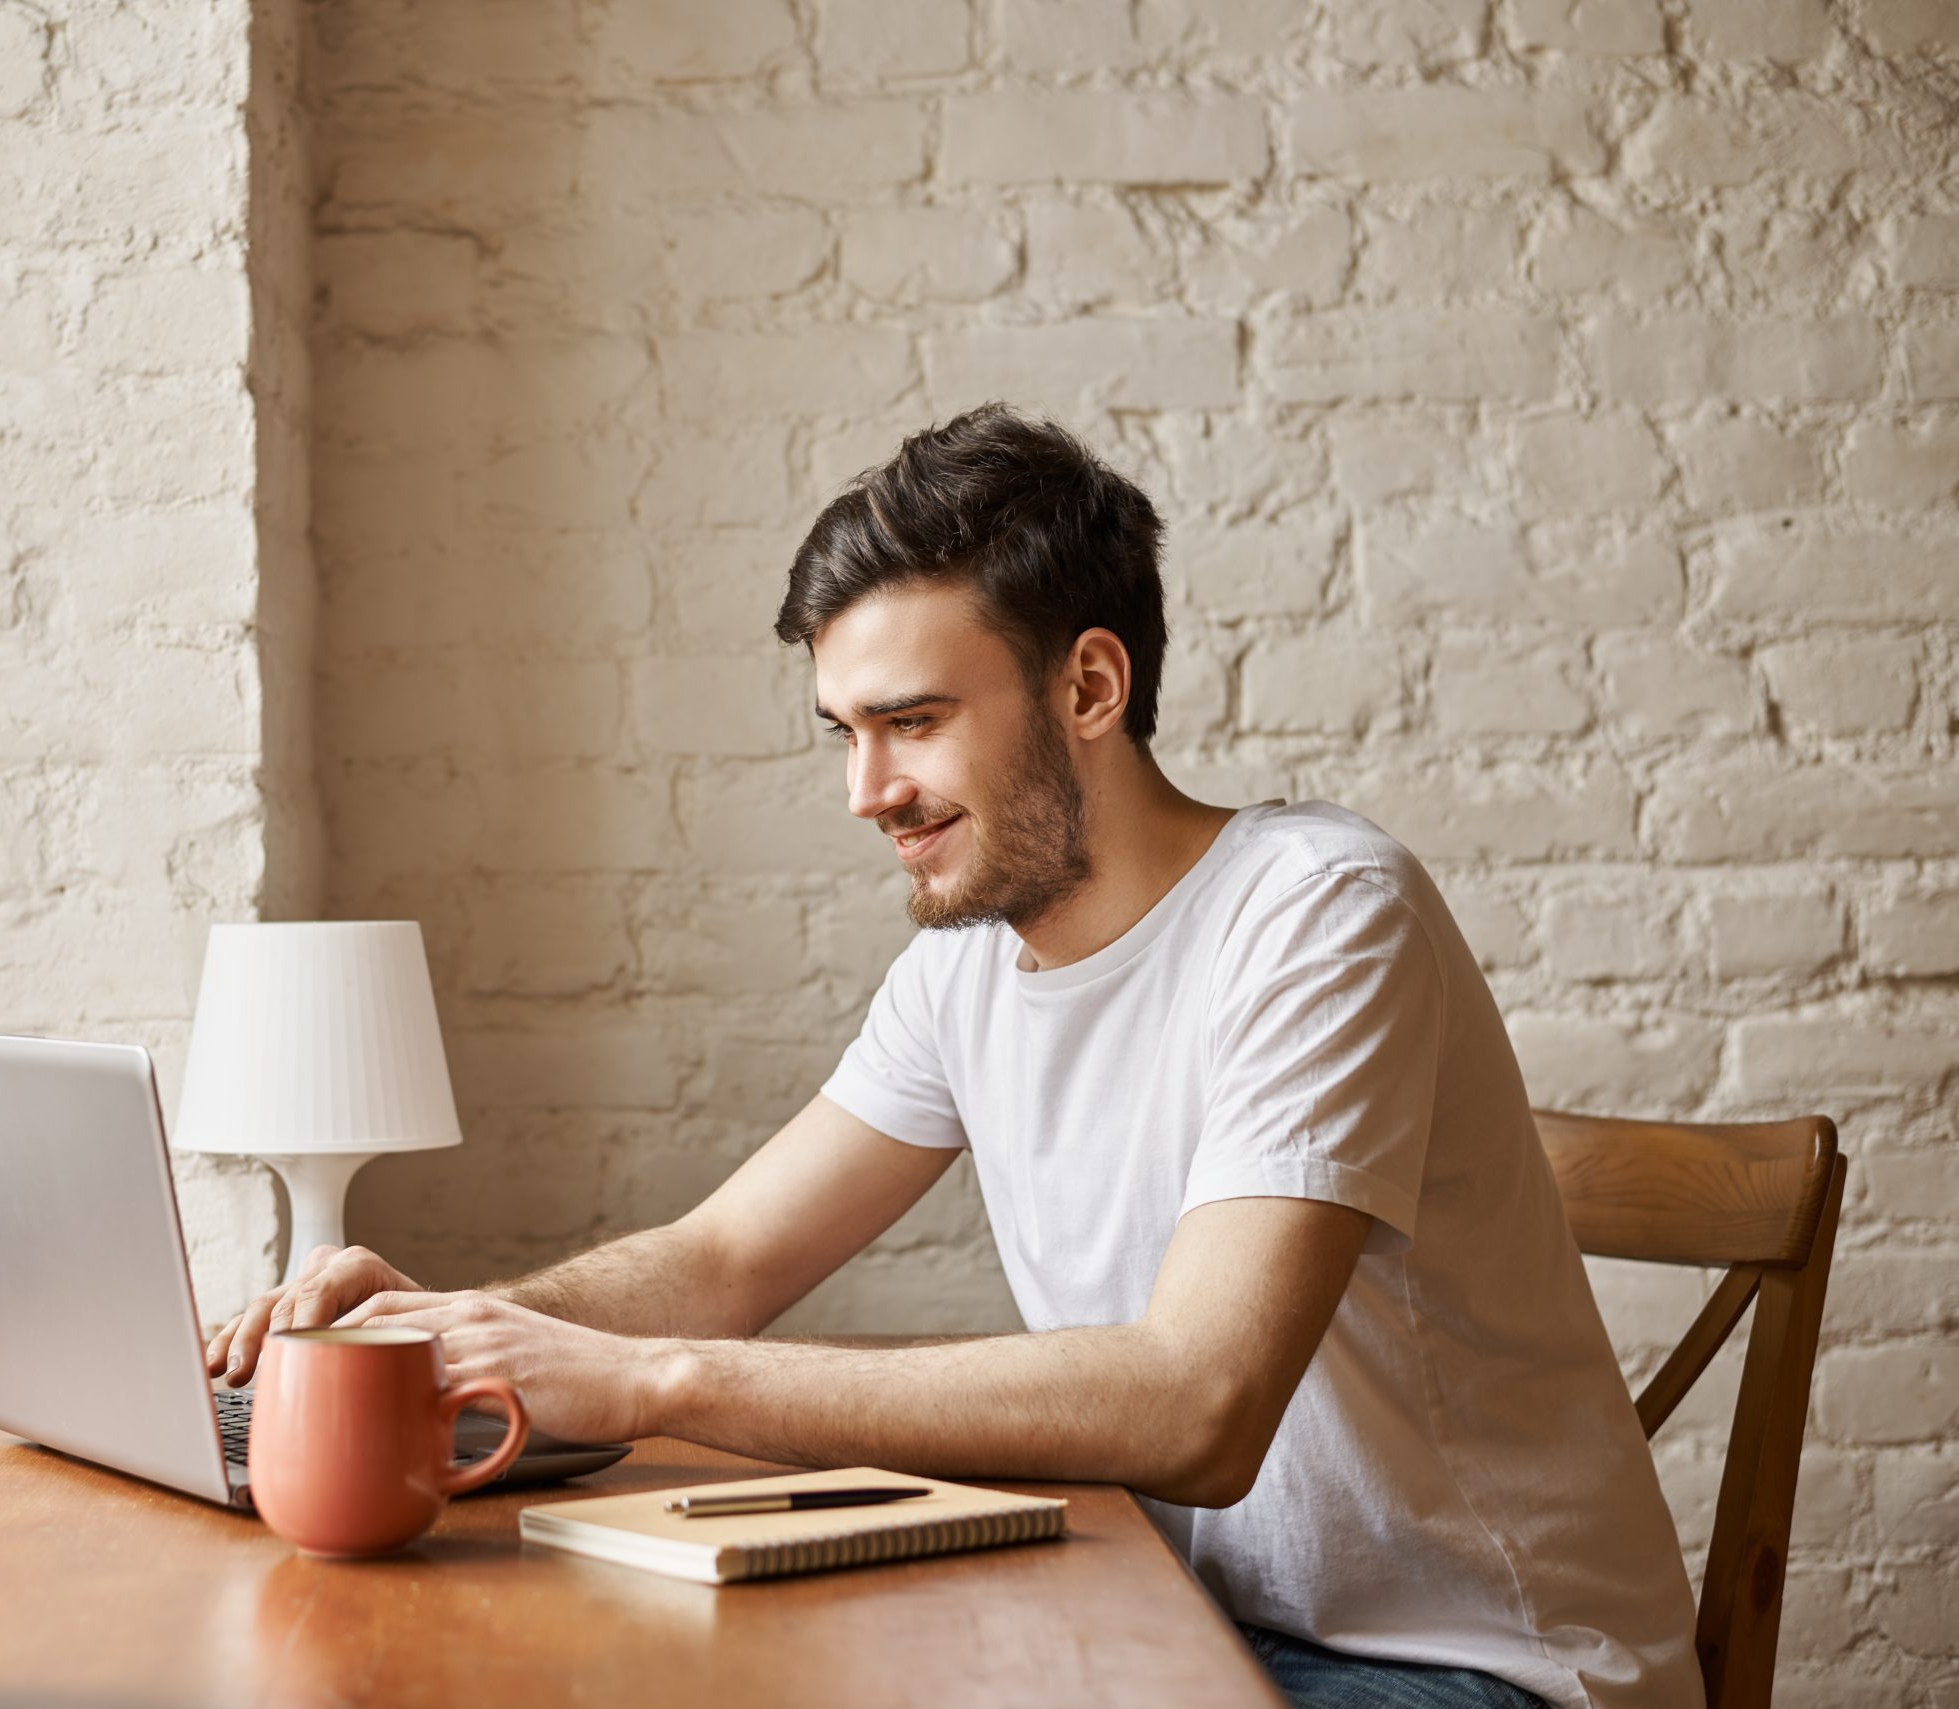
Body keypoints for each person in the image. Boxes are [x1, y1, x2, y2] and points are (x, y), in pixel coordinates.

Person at [205, 405, 1703, 1709]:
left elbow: (1197, 1403)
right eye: (842, 732)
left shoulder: (1319, 917)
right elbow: (725, 1253)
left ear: (1091, 689)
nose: (866, 792)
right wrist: (455, 1323)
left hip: (1471, 1667)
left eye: (912, 722)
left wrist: (648, 1379)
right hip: (1176, 1615)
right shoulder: (966, 971)